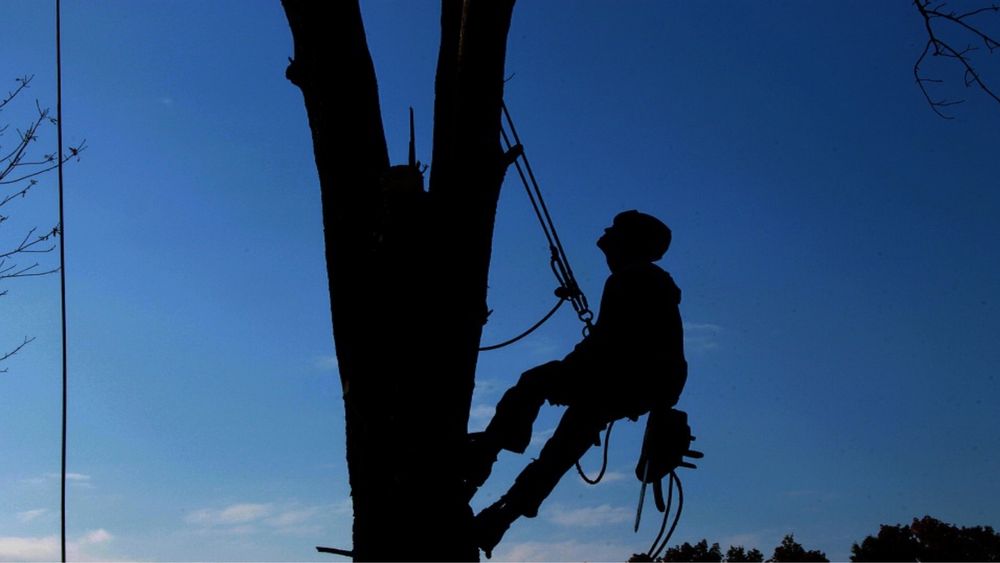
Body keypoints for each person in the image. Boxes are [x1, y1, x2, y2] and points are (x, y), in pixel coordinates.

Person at [466, 210, 689, 558]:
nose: (604, 233)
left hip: (622, 377)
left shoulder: (630, 279)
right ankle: (502, 516)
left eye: (614, 230)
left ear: (629, 242)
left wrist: (568, 373)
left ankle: (484, 457)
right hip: (642, 385)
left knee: (534, 383)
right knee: (565, 447)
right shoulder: (651, 281)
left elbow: (608, 342)